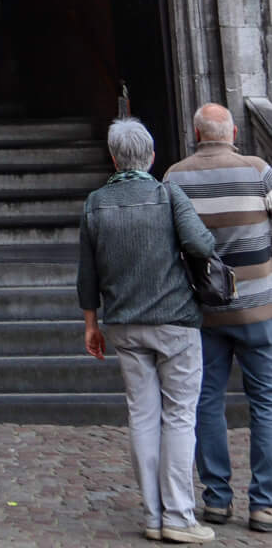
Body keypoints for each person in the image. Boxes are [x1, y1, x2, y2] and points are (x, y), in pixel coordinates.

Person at [78, 115, 217, 545]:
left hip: (124, 322)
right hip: (175, 319)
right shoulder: (168, 194)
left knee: (141, 416)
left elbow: (87, 274)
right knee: (179, 416)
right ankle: (179, 515)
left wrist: (91, 324)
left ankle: (154, 516)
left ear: (114, 158)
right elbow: (202, 245)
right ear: (152, 157)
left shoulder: (95, 203)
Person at [165, 102, 272, 533]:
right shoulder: (258, 170)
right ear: (233, 133)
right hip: (259, 307)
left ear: (196, 134)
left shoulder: (175, 177)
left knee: (206, 401)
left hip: (204, 310)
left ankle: (216, 498)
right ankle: (264, 504)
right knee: (266, 403)